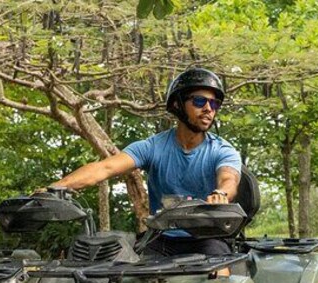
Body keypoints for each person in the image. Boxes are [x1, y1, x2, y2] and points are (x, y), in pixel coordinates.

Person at [48, 68, 242, 257]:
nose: (208, 109)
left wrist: (221, 193)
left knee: (219, 275)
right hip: (160, 237)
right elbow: (104, 168)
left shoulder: (222, 150)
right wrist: (55, 188)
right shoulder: (153, 146)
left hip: (207, 238)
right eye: (200, 101)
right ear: (177, 105)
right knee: (127, 277)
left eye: (214, 104)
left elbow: (229, 179)